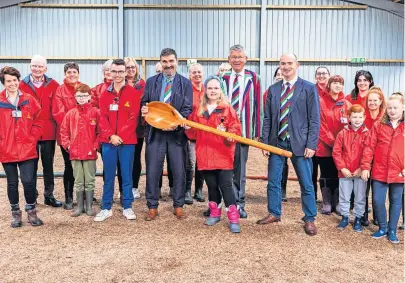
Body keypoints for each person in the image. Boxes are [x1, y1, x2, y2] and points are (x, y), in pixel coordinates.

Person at [257, 53, 320, 236]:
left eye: (289, 63)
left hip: (300, 143)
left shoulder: (308, 88)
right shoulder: (273, 89)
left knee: (306, 183)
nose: (286, 66)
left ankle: (309, 218)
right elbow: (267, 118)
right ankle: (274, 212)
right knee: (274, 181)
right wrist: (266, 143)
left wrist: (311, 144)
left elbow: (314, 119)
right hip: (277, 142)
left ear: (297, 65)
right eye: (282, 63)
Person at [141, 48, 193, 221]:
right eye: (165, 62)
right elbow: (145, 103)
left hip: (176, 134)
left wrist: (175, 124)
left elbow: (187, 108)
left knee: (179, 170)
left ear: (176, 62)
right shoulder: (151, 82)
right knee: (153, 171)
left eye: (171, 61)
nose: (168, 65)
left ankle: (178, 205)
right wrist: (144, 110)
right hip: (155, 133)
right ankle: (152, 206)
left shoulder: (185, 83)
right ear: (160, 63)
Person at [186, 76, 242, 233]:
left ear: (220, 91)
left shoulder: (227, 109)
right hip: (205, 154)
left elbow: (235, 127)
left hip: (223, 154)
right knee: (211, 185)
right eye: (210, 88)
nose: (213, 91)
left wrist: (232, 134)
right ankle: (215, 213)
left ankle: (233, 216)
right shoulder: (199, 110)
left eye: (216, 88)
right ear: (205, 90)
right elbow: (192, 134)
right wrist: (187, 127)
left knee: (225, 185)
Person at [219, 44, 263, 218]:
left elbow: (258, 105)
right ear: (229, 59)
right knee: (223, 168)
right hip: (224, 132)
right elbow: (217, 105)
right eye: (233, 57)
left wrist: (257, 132)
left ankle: (239, 204)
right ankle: (223, 202)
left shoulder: (254, 78)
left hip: (243, 132)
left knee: (240, 170)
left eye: (240, 57)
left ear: (246, 59)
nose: (237, 60)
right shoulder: (222, 78)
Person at [94, 58, 141, 222]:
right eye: (114, 71)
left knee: (127, 175)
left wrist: (120, 136)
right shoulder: (104, 94)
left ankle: (127, 206)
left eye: (121, 71)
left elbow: (133, 118)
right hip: (108, 142)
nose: (118, 75)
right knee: (108, 176)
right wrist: (110, 136)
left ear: (126, 72)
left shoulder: (134, 93)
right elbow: (103, 118)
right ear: (110, 73)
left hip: (127, 142)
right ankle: (106, 207)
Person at [0, 66, 44, 227]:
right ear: (3, 83)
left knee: (28, 181)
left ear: (18, 81)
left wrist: (32, 139)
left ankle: (32, 212)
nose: (12, 83)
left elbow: (39, 121)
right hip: (7, 150)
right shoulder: (0, 101)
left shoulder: (29, 99)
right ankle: (15, 214)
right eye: (8, 81)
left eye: (14, 80)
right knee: (12, 183)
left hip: (27, 149)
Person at [19, 55, 62, 207]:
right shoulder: (21, 85)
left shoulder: (54, 85)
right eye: (34, 66)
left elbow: (57, 107)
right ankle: (32, 196)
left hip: (48, 132)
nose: (37, 69)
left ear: (46, 68)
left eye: (40, 66)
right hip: (29, 133)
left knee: (48, 165)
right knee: (31, 165)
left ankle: (48, 195)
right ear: (30, 67)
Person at [361, 93, 404, 244]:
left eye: (396, 108)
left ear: (403, 108)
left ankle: (392, 230)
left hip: (399, 171)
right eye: (390, 107)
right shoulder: (378, 125)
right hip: (379, 170)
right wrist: (366, 166)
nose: (392, 110)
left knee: (396, 201)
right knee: (378, 201)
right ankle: (382, 227)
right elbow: (369, 147)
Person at [60, 84, 99, 217]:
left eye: (84, 95)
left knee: (89, 179)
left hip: (90, 153)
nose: (81, 98)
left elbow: (101, 131)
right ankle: (79, 207)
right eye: (78, 96)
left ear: (89, 96)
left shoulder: (95, 112)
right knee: (78, 180)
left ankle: (89, 206)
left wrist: (95, 146)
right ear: (75, 97)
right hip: (75, 153)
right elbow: (63, 131)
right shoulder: (71, 114)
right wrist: (68, 145)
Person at [316, 76, 351, 215]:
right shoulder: (321, 102)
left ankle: (337, 201)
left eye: (340, 83)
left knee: (338, 174)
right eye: (335, 83)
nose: (338, 86)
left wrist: (342, 145)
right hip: (324, 147)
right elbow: (321, 126)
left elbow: (350, 125)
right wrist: (334, 143)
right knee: (325, 173)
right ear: (329, 85)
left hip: (342, 148)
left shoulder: (346, 104)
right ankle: (326, 202)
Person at [333, 105, 369, 232]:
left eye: (360, 117)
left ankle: (358, 218)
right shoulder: (342, 133)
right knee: (344, 196)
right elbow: (336, 152)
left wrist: (362, 168)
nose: (357, 120)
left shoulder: (367, 134)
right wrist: (342, 168)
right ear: (349, 117)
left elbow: (368, 152)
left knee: (360, 196)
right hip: (345, 172)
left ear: (364, 117)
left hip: (360, 172)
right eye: (354, 117)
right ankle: (345, 217)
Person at [52, 62, 81, 210]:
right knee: (69, 165)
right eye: (69, 72)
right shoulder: (60, 91)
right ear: (65, 74)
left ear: (78, 74)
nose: (72, 75)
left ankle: (83, 195)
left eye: (74, 72)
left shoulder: (83, 88)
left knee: (83, 165)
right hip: (66, 136)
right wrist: (71, 131)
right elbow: (58, 113)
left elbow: (88, 108)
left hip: (83, 135)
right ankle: (69, 197)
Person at [362, 86, 386, 226]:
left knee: (378, 191)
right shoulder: (362, 115)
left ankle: (377, 216)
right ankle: (363, 215)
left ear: (381, 101)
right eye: (370, 100)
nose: (372, 103)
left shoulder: (384, 117)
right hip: (364, 156)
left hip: (379, 159)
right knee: (363, 190)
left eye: (375, 100)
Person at [123, 57, 146, 200]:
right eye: (128, 67)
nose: (131, 69)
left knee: (136, 157)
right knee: (124, 158)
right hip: (123, 127)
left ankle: (135, 187)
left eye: (133, 67)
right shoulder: (120, 83)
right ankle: (124, 186)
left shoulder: (142, 84)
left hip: (138, 128)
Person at [185, 63, 205, 204]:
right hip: (190, 134)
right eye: (194, 72)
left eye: (199, 72)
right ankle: (187, 191)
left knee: (201, 163)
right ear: (189, 75)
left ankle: (198, 190)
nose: (197, 74)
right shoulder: (187, 90)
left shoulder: (208, 90)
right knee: (191, 163)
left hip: (205, 134)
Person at [313, 66, 330, 202]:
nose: (322, 76)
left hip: (327, 140)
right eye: (319, 73)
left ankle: (327, 199)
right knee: (311, 172)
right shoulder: (310, 90)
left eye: (324, 73)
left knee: (327, 172)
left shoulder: (333, 92)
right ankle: (311, 197)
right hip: (312, 139)